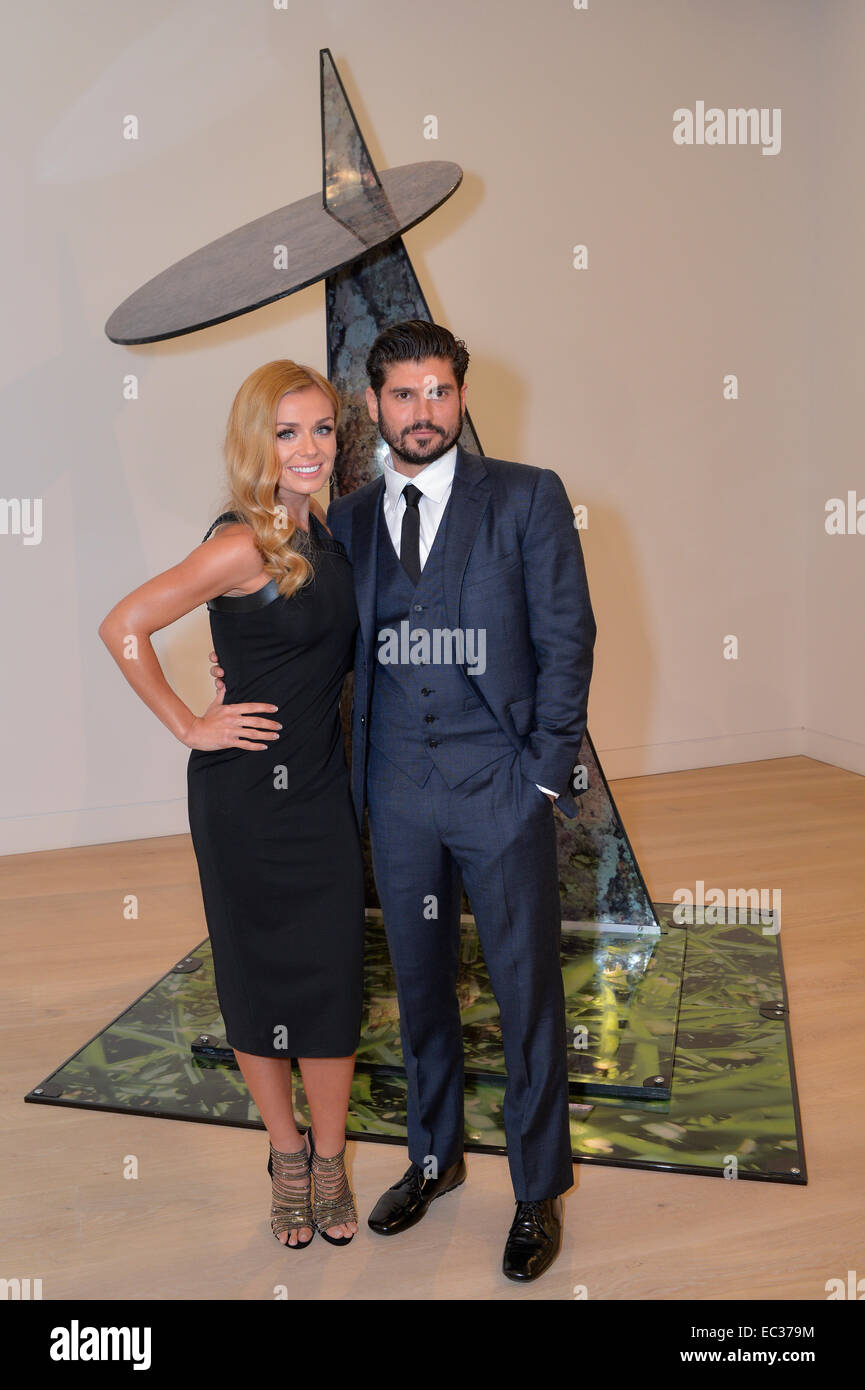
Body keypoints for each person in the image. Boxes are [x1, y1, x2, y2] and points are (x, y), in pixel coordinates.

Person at [212, 321, 596, 1282]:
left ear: (459, 398)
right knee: (418, 990)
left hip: (499, 790)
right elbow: (299, 624)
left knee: (524, 996)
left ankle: (538, 1189)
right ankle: (433, 1159)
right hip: (393, 793)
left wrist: (544, 775)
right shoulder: (342, 516)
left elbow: (567, 638)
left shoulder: (526, 496)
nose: (422, 411)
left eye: (439, 392)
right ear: (372, 406)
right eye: (402, 395)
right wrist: (233, 665)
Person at [98, 360, 365, 1250]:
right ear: (256, 441)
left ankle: (332, 1162)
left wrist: (242, 660)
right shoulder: (242, 542)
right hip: (246, 800)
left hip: (319, 789)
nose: (309, 448)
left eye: (322, 428)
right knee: (258, 983)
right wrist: (190, 723)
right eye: (287, 432)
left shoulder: (324, 524)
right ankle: (288, 1159)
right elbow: (123, 624)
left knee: (329, 977)